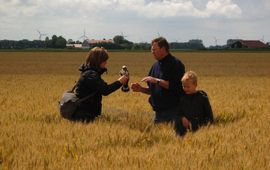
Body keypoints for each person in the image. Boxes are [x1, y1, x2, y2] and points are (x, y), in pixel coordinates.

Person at [131, 37, 185, 124]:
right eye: (151, 50)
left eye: (154, 49)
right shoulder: (155, 66)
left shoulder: (176, 64)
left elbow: (176, 86)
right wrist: (140, 89)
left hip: (174, 112)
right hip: (158, 113)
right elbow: (153, 90)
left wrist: (157, 80)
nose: (152, 52)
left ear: (163, 49)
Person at [72, 47, 129, 122]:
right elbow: (105, 90)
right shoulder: (90, 75)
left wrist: (121, 81)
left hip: (86, 113)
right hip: (85, 115)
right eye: (104, 60)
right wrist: (120, 81)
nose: (106, 63)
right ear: (98, 61)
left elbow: (101, 87)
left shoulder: (90, 72)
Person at [176, 71, 214, 136]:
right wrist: (182, 118)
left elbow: (210, 118)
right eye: (183, 86)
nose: (185, 89)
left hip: (200, 131)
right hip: (183, 131)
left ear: (195, 85)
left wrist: (198, 124)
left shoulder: (202, 98)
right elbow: (178, 112)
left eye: (188, 87)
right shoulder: (182, 98)